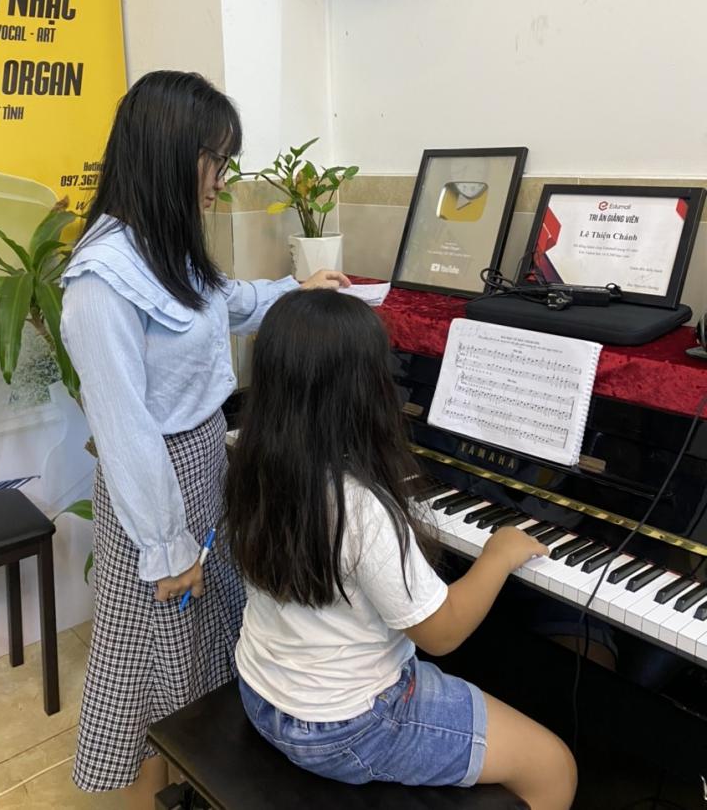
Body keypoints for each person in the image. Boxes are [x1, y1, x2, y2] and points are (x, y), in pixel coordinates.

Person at [60, 70, 348, 809]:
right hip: (153, 491)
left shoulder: (166, 244)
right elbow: (124, 431)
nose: (222, 177)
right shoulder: (101, 277)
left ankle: (190, 789)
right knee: (150, 670)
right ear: (167, 151)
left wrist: (298, 290)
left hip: (200, 464)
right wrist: (167, 546)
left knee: (195, 653)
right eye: (213, 158)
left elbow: (228, 302)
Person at [224, 290, 577, 810]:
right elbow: (443, 633)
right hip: (345, 726)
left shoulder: (253, 460)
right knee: (553, 767)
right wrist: (498, 554)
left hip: (263, 691)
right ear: (363, 392)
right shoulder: (359, 508)